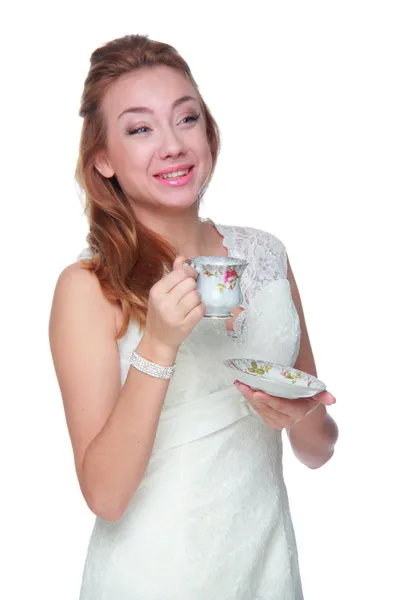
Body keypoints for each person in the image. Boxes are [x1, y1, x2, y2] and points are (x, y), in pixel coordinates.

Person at [49, 33, 339, 600]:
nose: (173, 145)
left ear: (208, 130)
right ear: (102, 159)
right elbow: (106, 496)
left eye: (187, 119)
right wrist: (158, 344)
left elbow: (319, 448)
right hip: (153, 576)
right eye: (139, 129)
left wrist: (300, 414)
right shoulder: (88, 287)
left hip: (266, 568)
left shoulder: (266, 256)